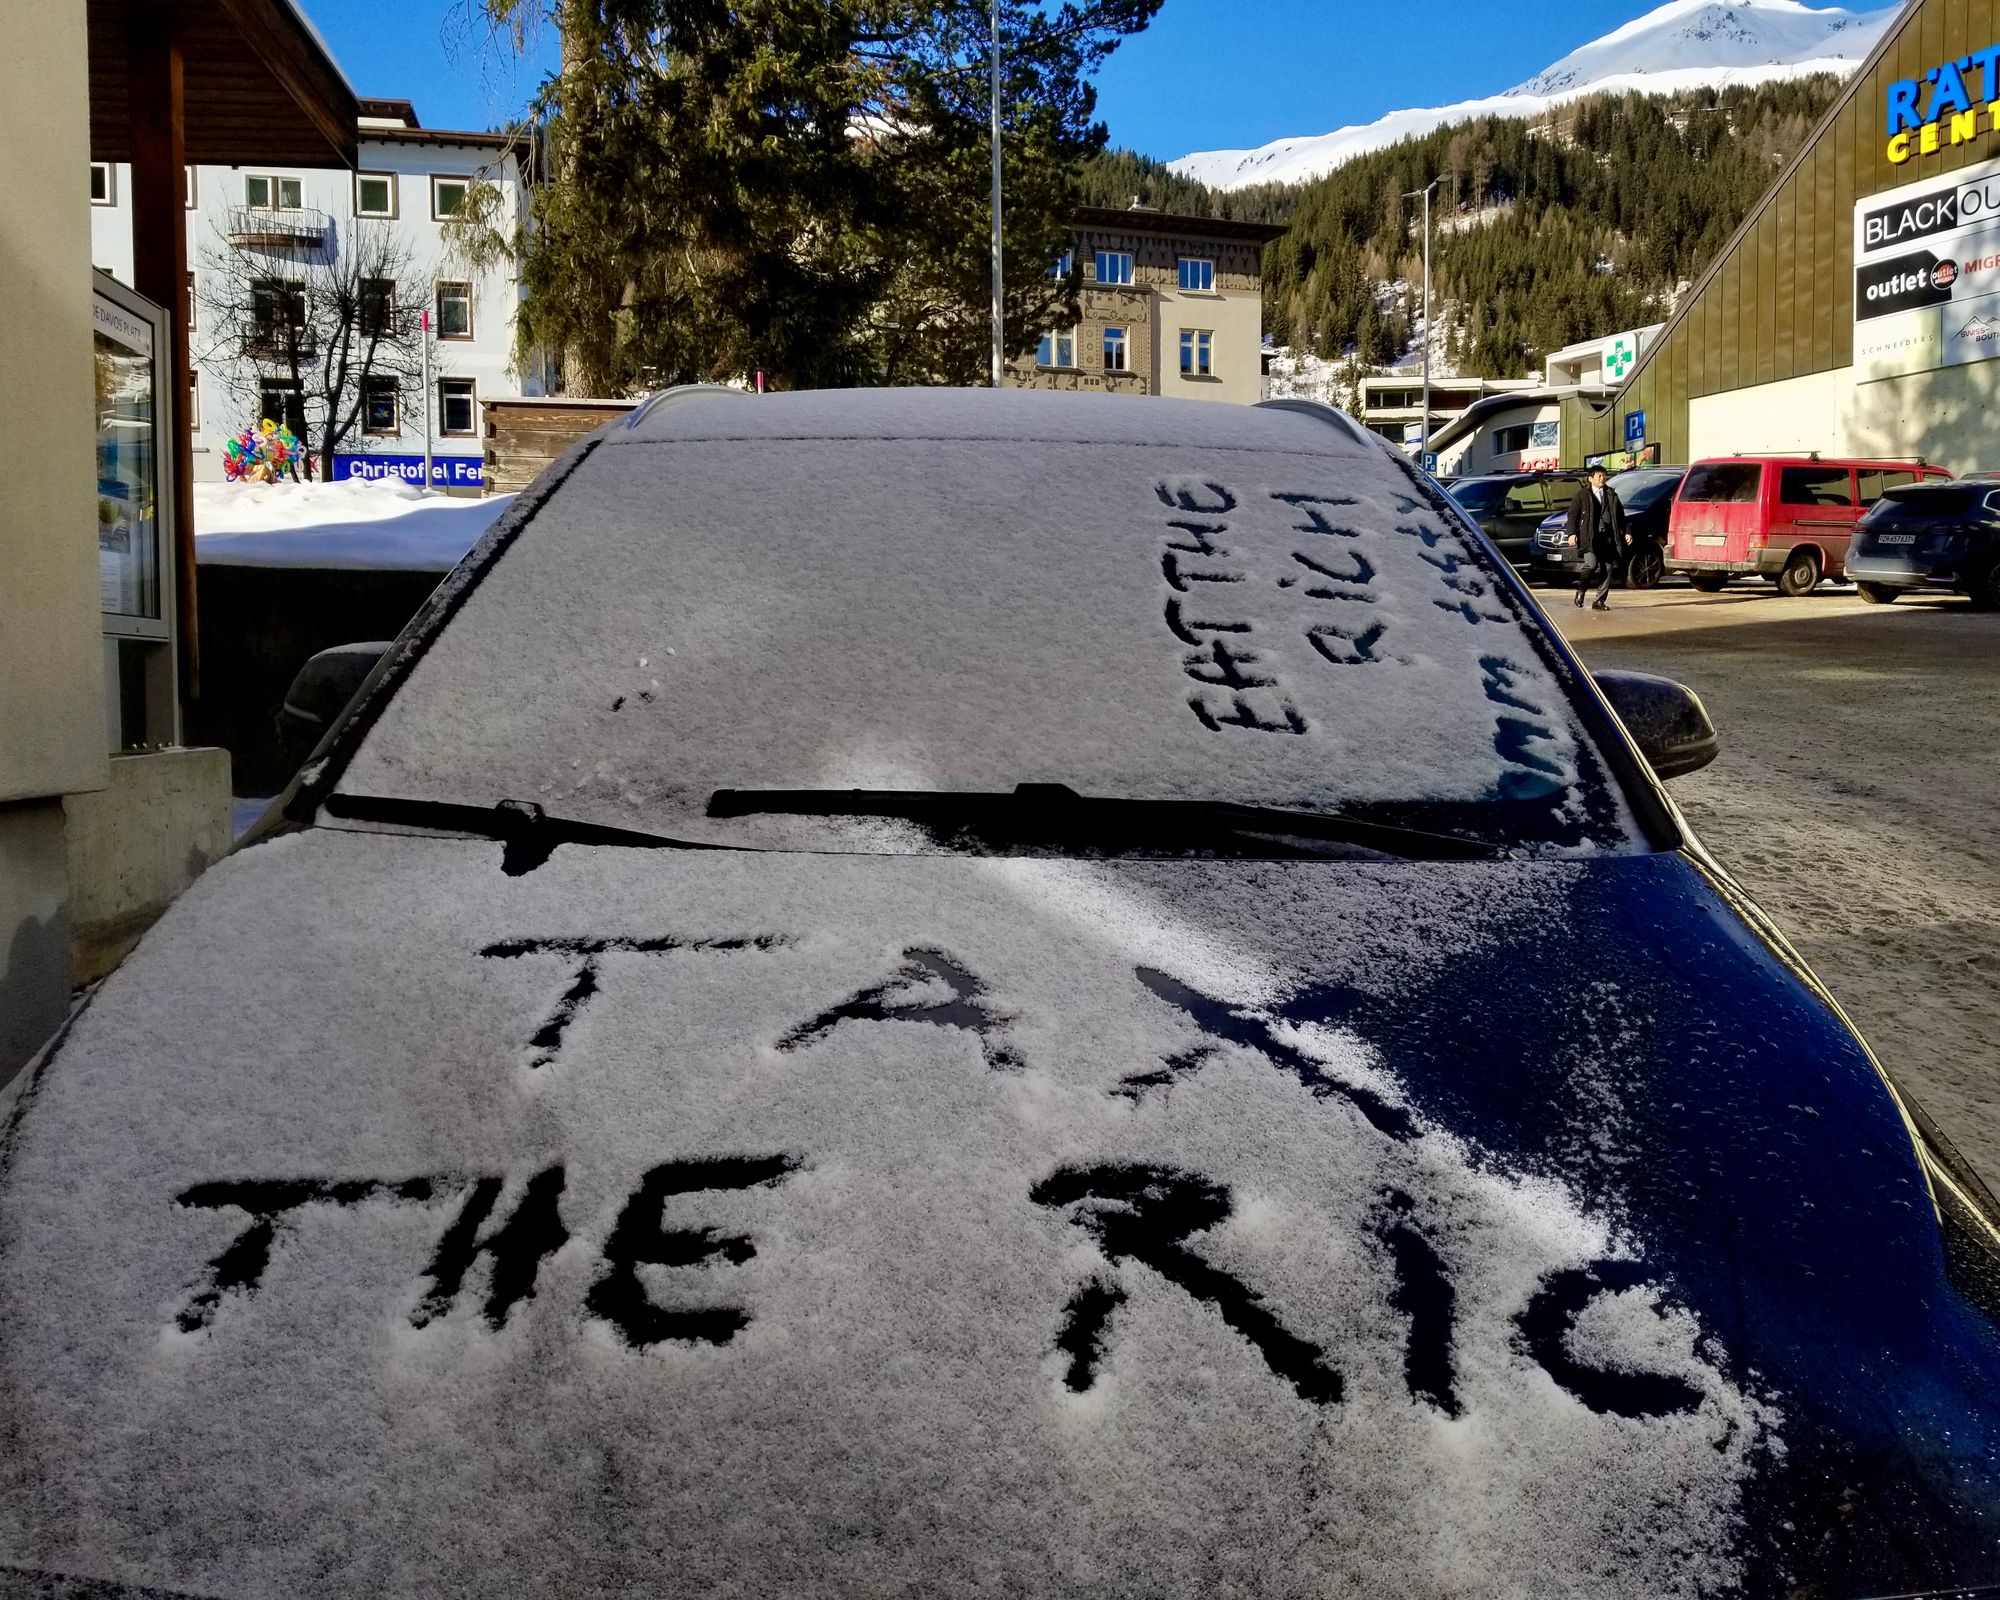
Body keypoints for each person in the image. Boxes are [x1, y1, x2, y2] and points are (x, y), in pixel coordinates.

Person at [1566, 465, 1630, 611]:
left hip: (1607, 537)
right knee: (1591, 564)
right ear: (1590, 478)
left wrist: (1627, 531)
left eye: (1604, 476)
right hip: (1590, 537)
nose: (1602, 478)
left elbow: (1621, 516)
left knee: (1607, 568)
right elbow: (1573, 515)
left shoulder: (1611, 494)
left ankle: (1599, 601)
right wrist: (1572, 533)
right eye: (1599, 476)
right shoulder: (1582, 494)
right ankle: (1581, 591)